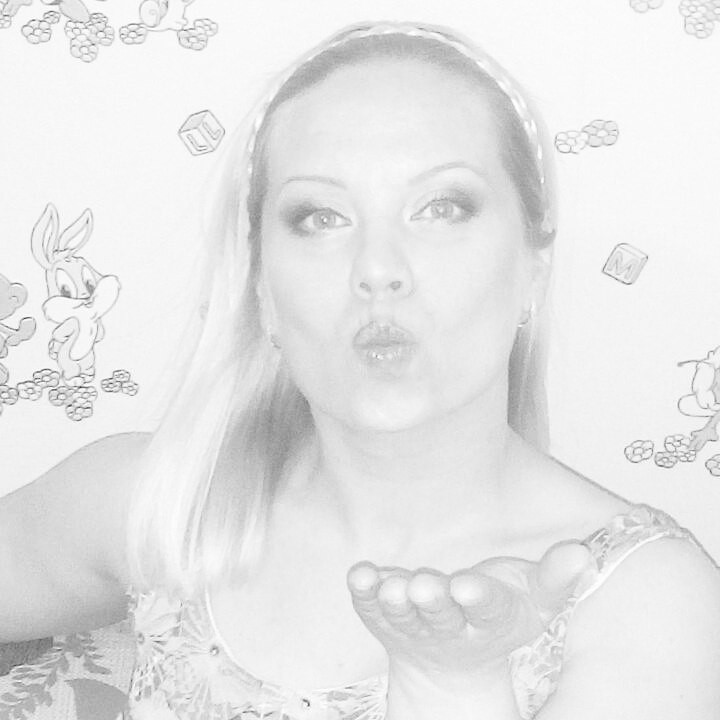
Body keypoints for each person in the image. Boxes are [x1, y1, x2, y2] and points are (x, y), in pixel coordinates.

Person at [1, 19, 719, 720]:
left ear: (532, 267)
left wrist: (457, 691)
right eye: (320, 217)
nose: (377, 269)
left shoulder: (648, 599)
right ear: (262, 290)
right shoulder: (158, 503)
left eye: (441, 208)